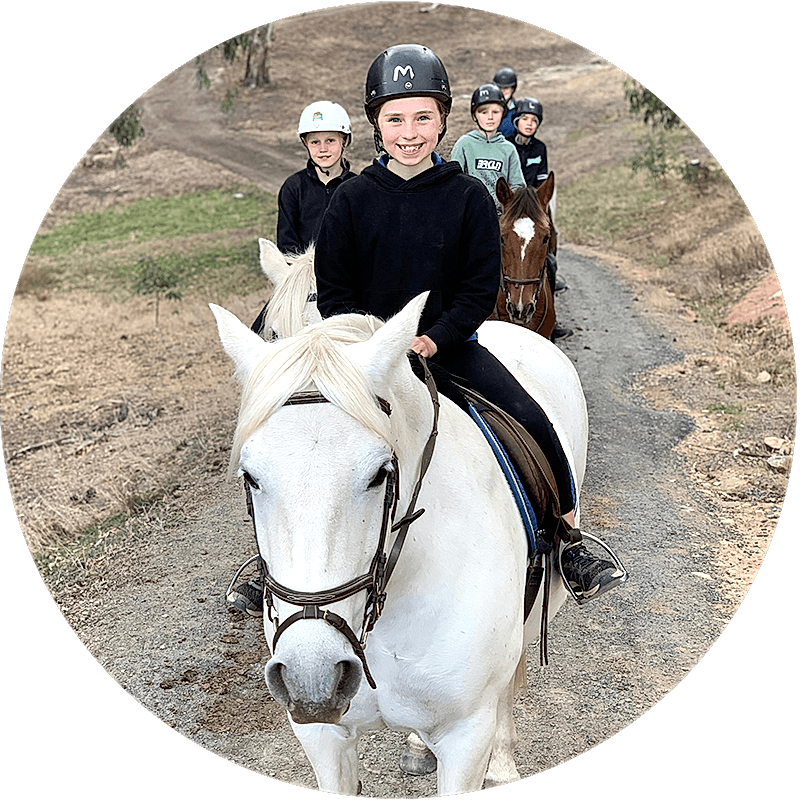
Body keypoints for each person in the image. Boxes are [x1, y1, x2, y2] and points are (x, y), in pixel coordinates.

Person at [313, 43, 624, 605]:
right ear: (376, 124)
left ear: (443, 120)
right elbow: (335, 295)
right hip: (367, 363)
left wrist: (435, 338)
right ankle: (272, 563)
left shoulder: (468, 198)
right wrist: (372, 347)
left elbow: (479, 289)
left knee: (532, 418)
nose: (410, 132)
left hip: (450, 347)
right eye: (396, 118)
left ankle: (568, 536)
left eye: (423, 117)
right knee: (297, 441)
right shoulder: (351, 202)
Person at [506, 97, 571, 338]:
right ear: (516, 121)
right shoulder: (506, 145)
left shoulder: (539, 148)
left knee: (549, 258)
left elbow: (541, 181)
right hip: (512, 204)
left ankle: (549, 316)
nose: (530, 124)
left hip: (533, 204)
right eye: (525, 119)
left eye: (534, 120)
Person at [276, 100, 357, 255]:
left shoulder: (357, 187)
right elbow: (287, 241)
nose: (323, 149)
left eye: (330, 140)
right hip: (305, 272)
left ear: (344, 141)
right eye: (315, 142)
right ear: (305, 143)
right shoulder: (294, 187)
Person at [449, 83, 525, 215]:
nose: (490, 117)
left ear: (503, 114)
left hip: (500, 216)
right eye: (484, 112)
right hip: (471, 214)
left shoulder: (508, 149)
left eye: (495, 112)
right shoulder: (464, 144)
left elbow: (518, 186)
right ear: (475, 115)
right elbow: (453, 183)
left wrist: (504, 202)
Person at [493, 67, 518, 138]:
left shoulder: (518, 110)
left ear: (513, 88)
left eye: (506, 88)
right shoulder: (489, 109)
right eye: (499, 88)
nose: (502, 91)